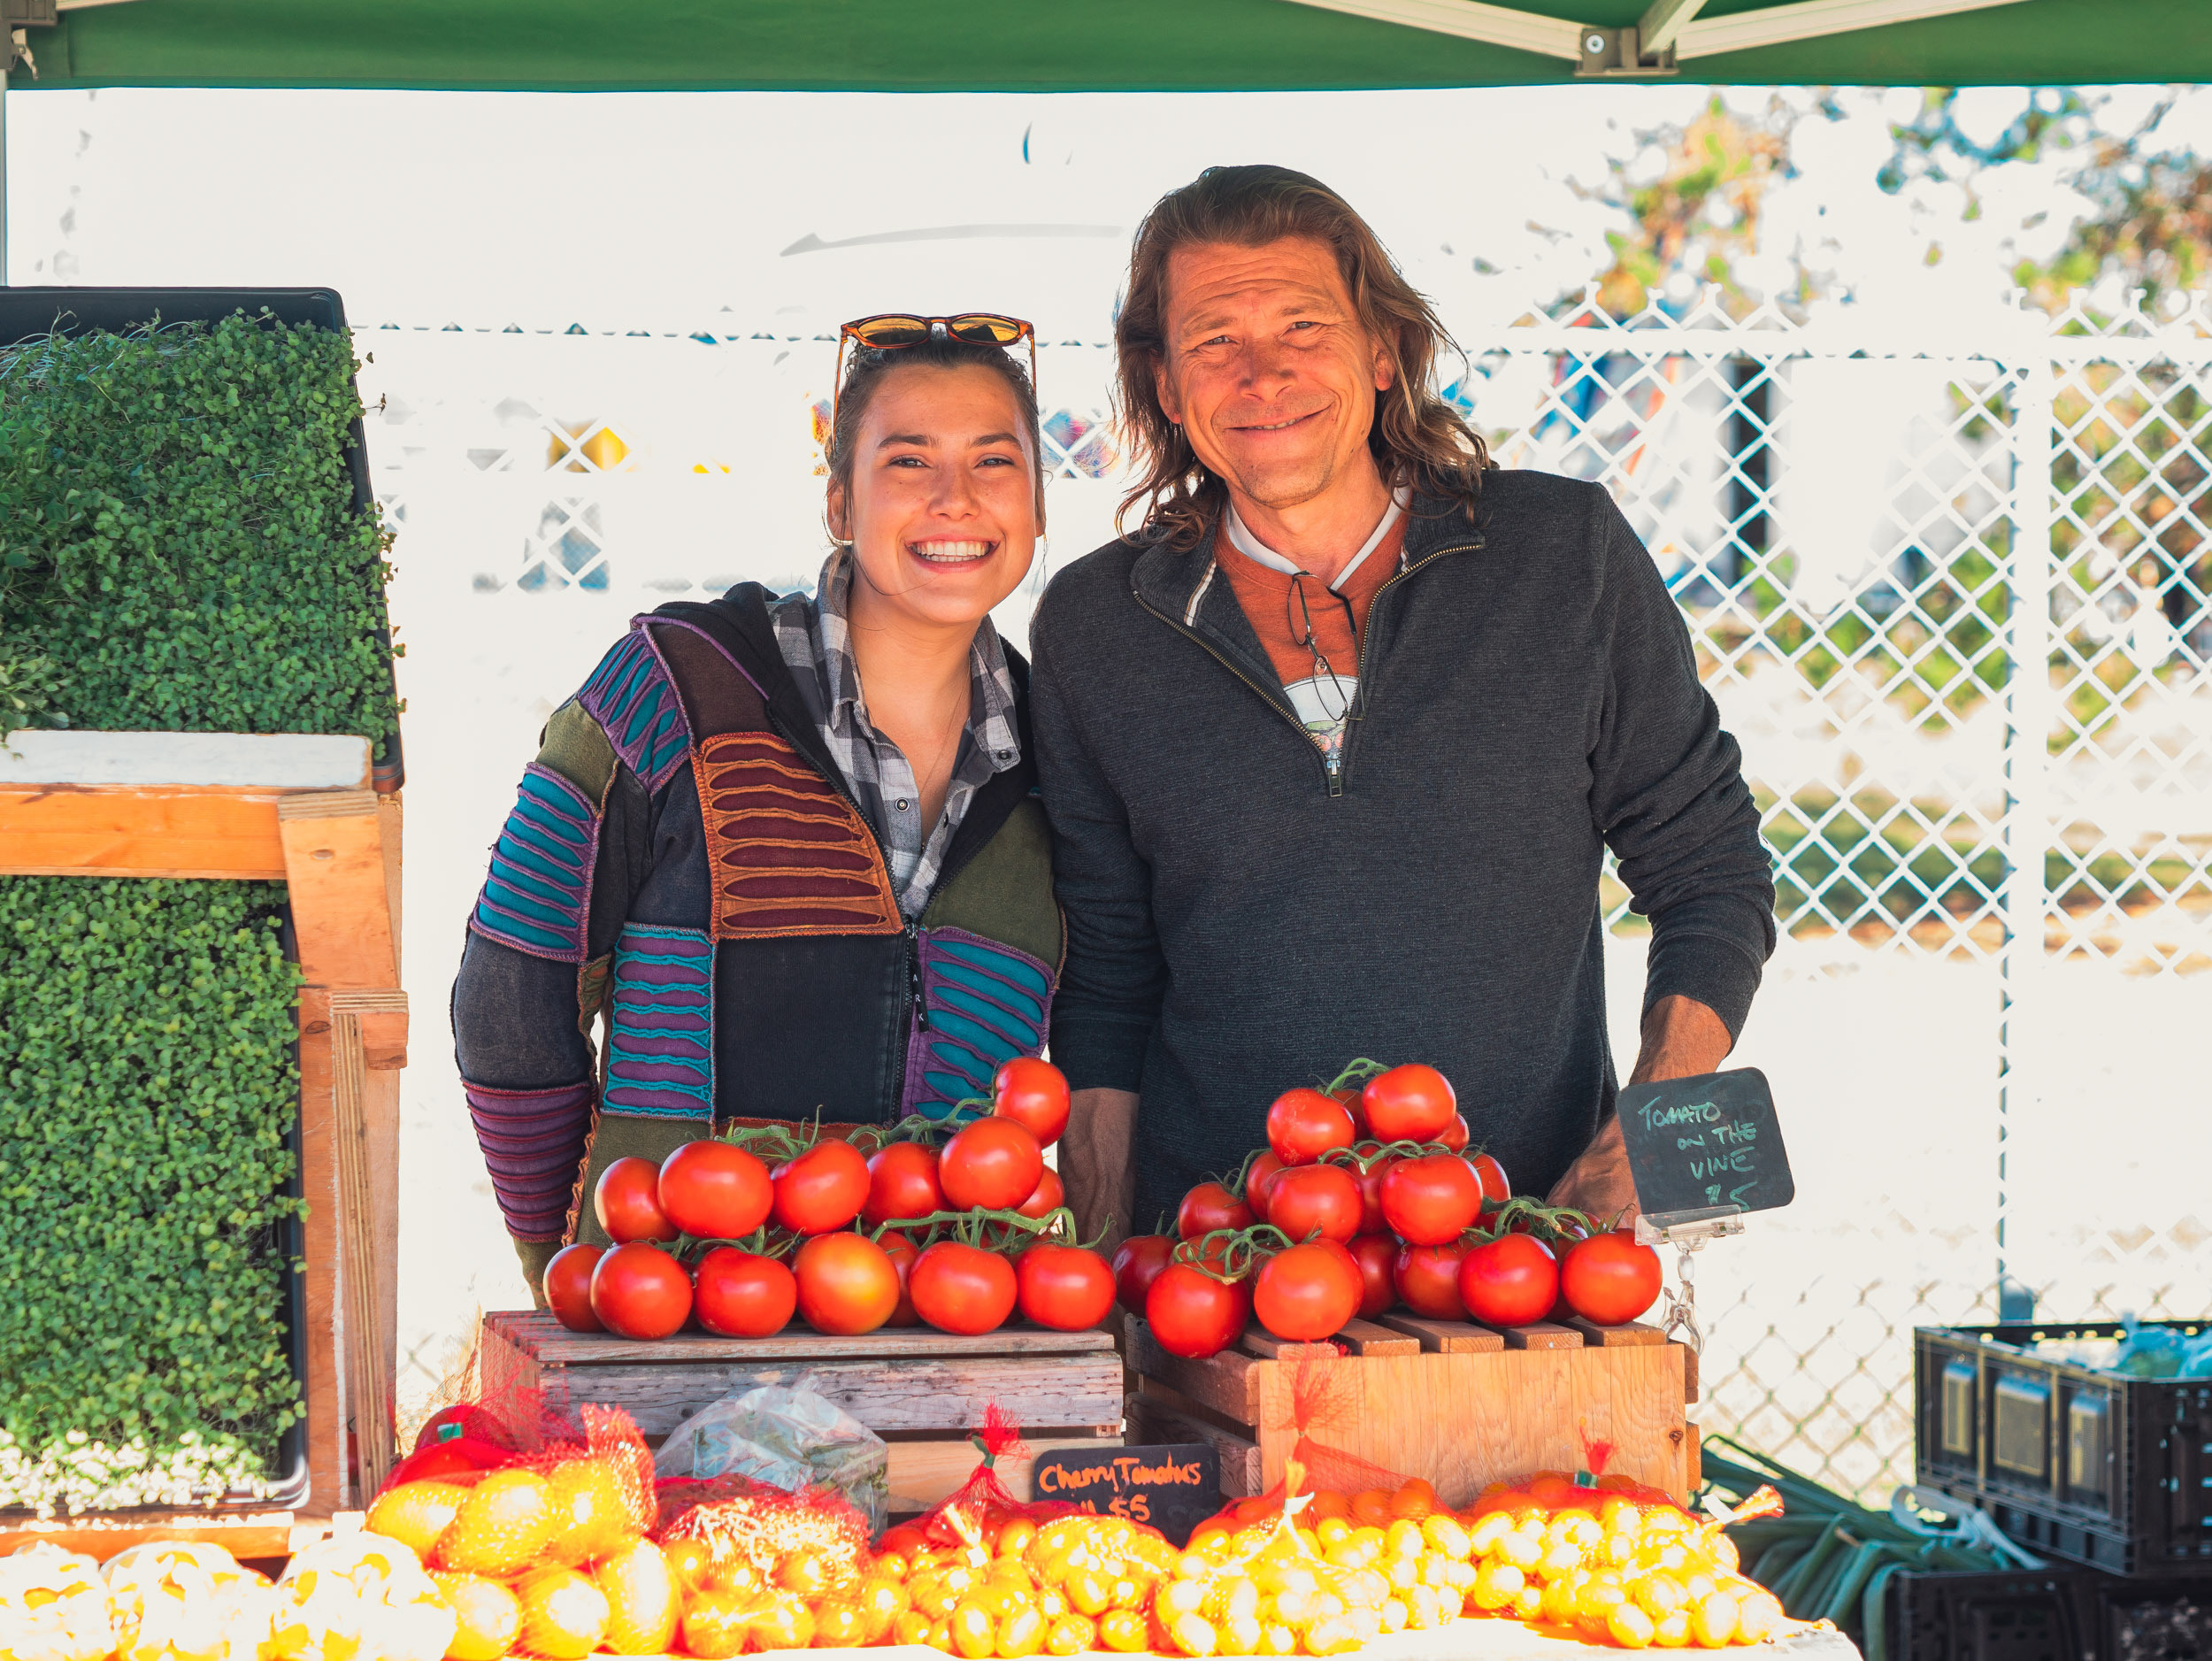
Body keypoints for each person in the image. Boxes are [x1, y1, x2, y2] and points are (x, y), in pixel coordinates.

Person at [1033, 166, 1776, 1244]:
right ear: (1162, 384)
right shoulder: (1099, 623)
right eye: (1213, 342)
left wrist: (1638, 1143)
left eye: (1303, 325)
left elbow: (1709, 871)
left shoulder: (1559, 556)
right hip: (1221, 1267)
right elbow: (1105, 971)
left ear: (1382, 353)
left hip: (1524, 1252)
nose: (1264, 373)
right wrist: (1101, 1270)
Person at [453, 316, 1062, 1294]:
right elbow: (509, 1001)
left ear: (1036, 502)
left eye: (996, 460)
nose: (956, 498)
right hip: (673, 1303)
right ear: (837, 499)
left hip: (940, 1324)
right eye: (908, 460)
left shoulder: (1060, 756)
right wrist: (568, 1265)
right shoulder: (677, 687)